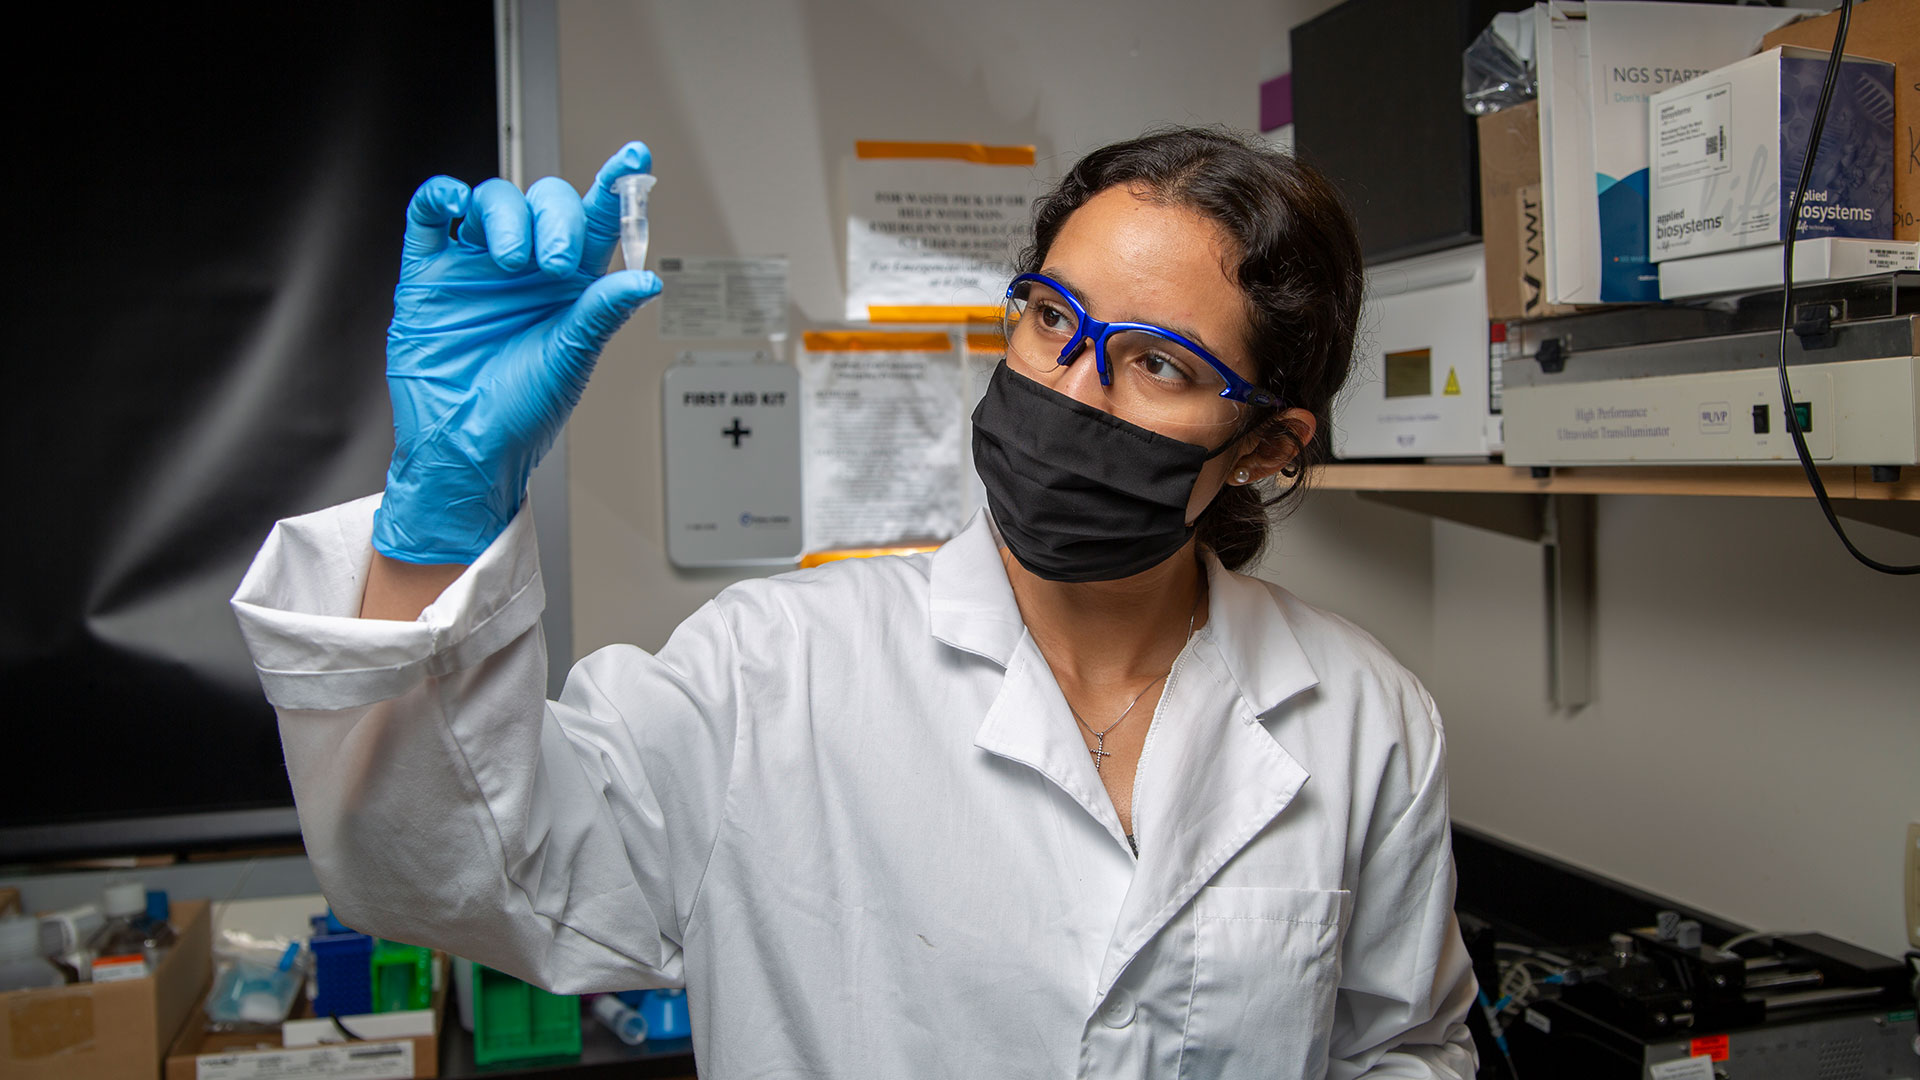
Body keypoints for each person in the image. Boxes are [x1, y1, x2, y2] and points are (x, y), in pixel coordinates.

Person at [232, 129, 1477, 1078]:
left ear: (1267, 447)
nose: (1076, 388)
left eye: (1157, 363)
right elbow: (449, 875)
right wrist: (437, 510)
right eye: (1054, 322)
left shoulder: (1364, 719)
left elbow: (1403, 1046)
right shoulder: (775, 672)